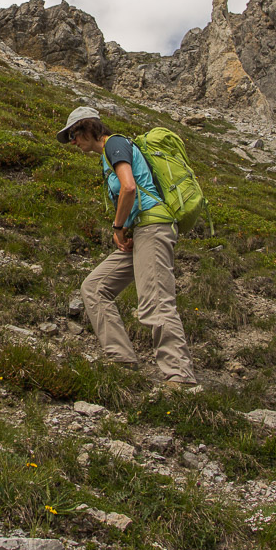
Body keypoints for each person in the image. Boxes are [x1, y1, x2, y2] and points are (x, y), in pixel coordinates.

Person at [56, 106, 201, 393]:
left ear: (88, 128)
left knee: (155, 300)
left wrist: (118, 226)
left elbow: (129, 187)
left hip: (153, 227)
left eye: (74, 134)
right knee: (95, 287)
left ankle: (180, 377)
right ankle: (121, 358)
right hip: (142, 231)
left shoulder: (115, 144)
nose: (74, 142)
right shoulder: (107, 156)